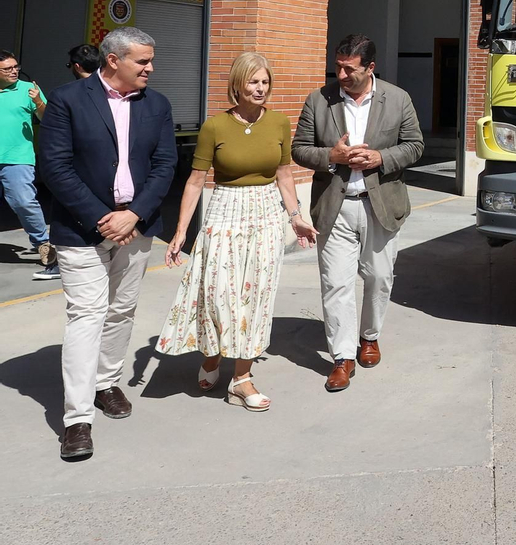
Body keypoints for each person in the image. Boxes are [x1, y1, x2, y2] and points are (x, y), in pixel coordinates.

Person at [38, 27, 177, 461]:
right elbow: (55, 167)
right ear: (113, 60)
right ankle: (77, 419)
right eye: (143, 61)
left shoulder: (157, 104)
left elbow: (165, 164)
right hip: (82, 230)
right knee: (87, 316)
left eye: (151, 60)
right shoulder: (67, 100)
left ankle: (106, 382)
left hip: (136, 227)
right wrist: (103, 218)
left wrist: (133, 214)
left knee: (121, 310)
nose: (151, 68)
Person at [155, 53, 318, 411]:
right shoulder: (215, 126)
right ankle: (213, 354)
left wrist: (296, 216)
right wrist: (181, 231)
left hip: (265, 214)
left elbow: (284, 175)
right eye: (253, 82)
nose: (260, 88)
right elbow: (195, 180)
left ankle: (241, 379)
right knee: (218, 292)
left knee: (256, 296)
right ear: (237, 85)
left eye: (265, 82)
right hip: (225, 210)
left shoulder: (278, 122)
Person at [292, 34, 424, 392]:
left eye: (349, 69)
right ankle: (342, 357)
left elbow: (415, 146)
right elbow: (299, 149)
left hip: (381, 205)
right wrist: (330, 156)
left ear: (370, 68)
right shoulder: (319, 100)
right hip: (335, 207)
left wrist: (381, 158)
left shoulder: (398, 99)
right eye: (338, 67)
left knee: (379, 278)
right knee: (336, 283)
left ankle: (369, 336)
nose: (341, 75)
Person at [0, 50, 58, 281]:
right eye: (8, 68)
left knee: (23, 201)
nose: (14, 71)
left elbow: (48, 119)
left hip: (17, 157)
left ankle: (43, 244)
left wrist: (38, 102)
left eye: (16, 67)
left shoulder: (28, 89)